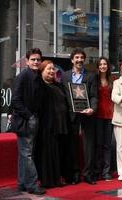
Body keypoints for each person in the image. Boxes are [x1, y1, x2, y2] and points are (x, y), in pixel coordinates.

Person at [11, 48, 45, 195]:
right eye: (33, 59)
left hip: (33, 119)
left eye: (38, 59)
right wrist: (29, 116)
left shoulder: (37, 76)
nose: (36, 62)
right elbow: (15, 101)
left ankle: (22, 183)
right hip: (25, 121)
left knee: (24, 153)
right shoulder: (22, 76)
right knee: (27, 154)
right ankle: (31, 184)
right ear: (27, 61)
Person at [62, 48, 98, 185]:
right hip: (71, 115)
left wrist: (92, 109)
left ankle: (88, 174)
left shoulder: (91, 76)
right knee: (72, 145)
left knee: (88, 145)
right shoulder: (64, 76)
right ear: (72, 60)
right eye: (76, 57)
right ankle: (75, 174)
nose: (79, 60)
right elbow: (63, 96)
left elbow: (94, 95)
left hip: (87, 114)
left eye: (82, 57)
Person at [35, 60, 70, 188]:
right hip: (46, 127)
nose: (51, 71)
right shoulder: (40, 86)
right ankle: (47, 180)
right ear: (42, 71)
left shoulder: (59, 85)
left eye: (53, 69)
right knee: (47, 154)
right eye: (48, 69)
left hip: (61, 126)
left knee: (59, 153)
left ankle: (57, 178)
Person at [94, 57, 114, 181]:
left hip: (110, 115)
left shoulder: (113, 80)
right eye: (100, 64)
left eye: (105, 64)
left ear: (108, 66)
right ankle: (97, 171)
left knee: (107, 145)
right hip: (97, 116)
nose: (103, 66)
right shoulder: (94, 80)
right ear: (98, 66)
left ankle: (106, 172)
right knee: (98, 144)